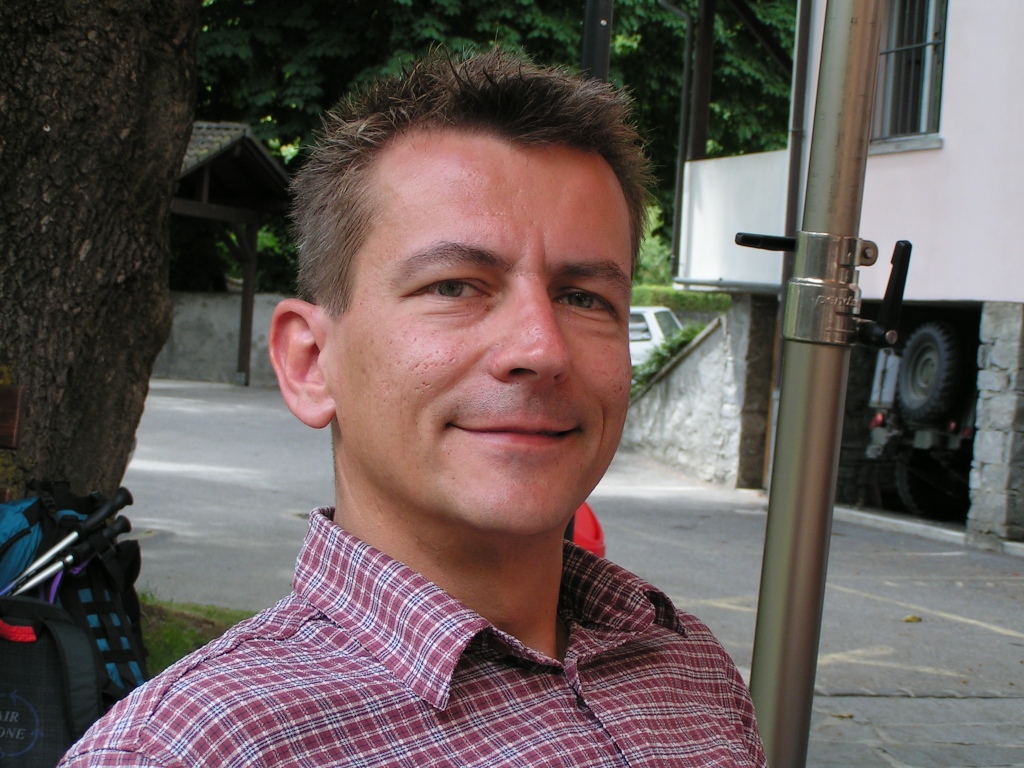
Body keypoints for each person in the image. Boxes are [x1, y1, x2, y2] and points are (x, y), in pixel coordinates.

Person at [61, 48, 766, 767]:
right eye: (454, 286)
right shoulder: (189, 750)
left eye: (585, 298)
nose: (542, 347)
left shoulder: (692, 671)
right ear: (311, 362)